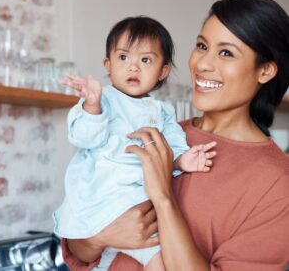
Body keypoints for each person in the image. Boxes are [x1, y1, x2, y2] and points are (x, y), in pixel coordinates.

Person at [61, 0, 289, 271]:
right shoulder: (159, 133)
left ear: (265, 70)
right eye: (202, 46)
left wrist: (164, 197)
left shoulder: (278, 183)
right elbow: (78, 249)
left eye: (226, 52)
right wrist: (101, 237)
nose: (203, 64)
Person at [53, 16, 217, 270]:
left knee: (160, 261)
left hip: (139, 210)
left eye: (145, 60)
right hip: (99, 204)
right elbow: (84, 138)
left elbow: (171, 147)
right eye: (123, 58)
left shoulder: (163, 111)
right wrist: (92, 105)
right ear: (107, 64)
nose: (133, 67)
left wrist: (184, 159)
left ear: (162, 71)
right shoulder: (103, 98)